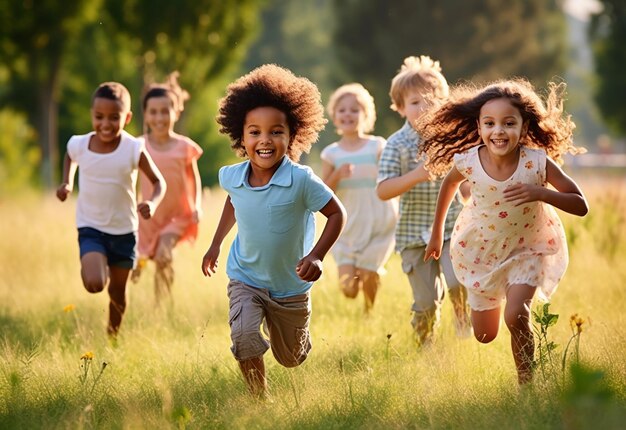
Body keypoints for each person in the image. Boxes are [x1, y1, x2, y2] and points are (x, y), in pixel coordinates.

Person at [418, 78, 589, 384]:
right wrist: (436, 234)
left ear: (524, 129)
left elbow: (580, 204)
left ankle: (527, 382)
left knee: (516, 315)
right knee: (484, 334)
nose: (498, 131)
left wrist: (542, 193)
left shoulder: (537, 163)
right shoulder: (469, 161)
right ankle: (497, 300)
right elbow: (448, 184)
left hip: (529, 248)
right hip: (482, 251)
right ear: (479, 128)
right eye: (490, 123)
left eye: (509, 123)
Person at [200, 64, 346, 397]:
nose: (265, 140)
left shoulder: (301, 180)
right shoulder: (232, 176)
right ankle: (258, 398)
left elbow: (337, 213)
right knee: (244, 336)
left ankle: (297, 338)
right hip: (246, 277)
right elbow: (233, 203)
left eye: (276, 131)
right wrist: (215, 244)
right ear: (241, 136)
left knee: (291, 358)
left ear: (293, 135)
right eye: (255, 132)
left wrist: (317, 255)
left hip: (291, 285)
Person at [56, 82, 165, 341]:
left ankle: (112, 336)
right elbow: (70, 156)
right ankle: (96, 262)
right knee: (95, 283)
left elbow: (159, 181)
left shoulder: (132, 149)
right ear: (92, 114)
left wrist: (152, 203)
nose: (105, 124)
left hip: (124, 232)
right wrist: (67, 182)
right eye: (99, 117)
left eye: (114, 117)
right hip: (91, 228)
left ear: (126, 118)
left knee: (117, 293)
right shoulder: (79, 144)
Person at [376, 55, 471, 345]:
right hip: (414, 235)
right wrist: (417, 175)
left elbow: (467, 179)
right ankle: (425, 341)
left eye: (433, 100)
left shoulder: (453, 139)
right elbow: (383, 190)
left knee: (458, 282)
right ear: (401, 107)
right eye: (416, 102)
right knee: (426, 302)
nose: (425, 107)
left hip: (452, 226)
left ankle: (463, 324)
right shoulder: (396, 144)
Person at [320, 83, 397, 313]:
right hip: (347, 226)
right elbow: (324, 191)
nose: (348, 114)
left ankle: (369, 310)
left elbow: (390, 176)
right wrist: (337, 174)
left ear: (366, 115)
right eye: (342, 110)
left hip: (378, 220)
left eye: (355, 109)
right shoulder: (331, 153)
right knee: (349, 289)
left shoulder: (377, 146)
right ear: (334, 116)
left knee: (368, 272)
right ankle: (364, 284)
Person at [131, 72, 203, 305]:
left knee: (164, 255)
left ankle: (162, 306)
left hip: (177, 216)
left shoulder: (184, 147)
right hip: (147, 217)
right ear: (146, 114)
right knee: (136, 266)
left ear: (176, 112)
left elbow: (194, 179)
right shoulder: (138, 145)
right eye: (153, 112)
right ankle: (133, 303)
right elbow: (130, 180)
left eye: (165, 111)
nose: (159, 117)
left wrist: (197, 206)